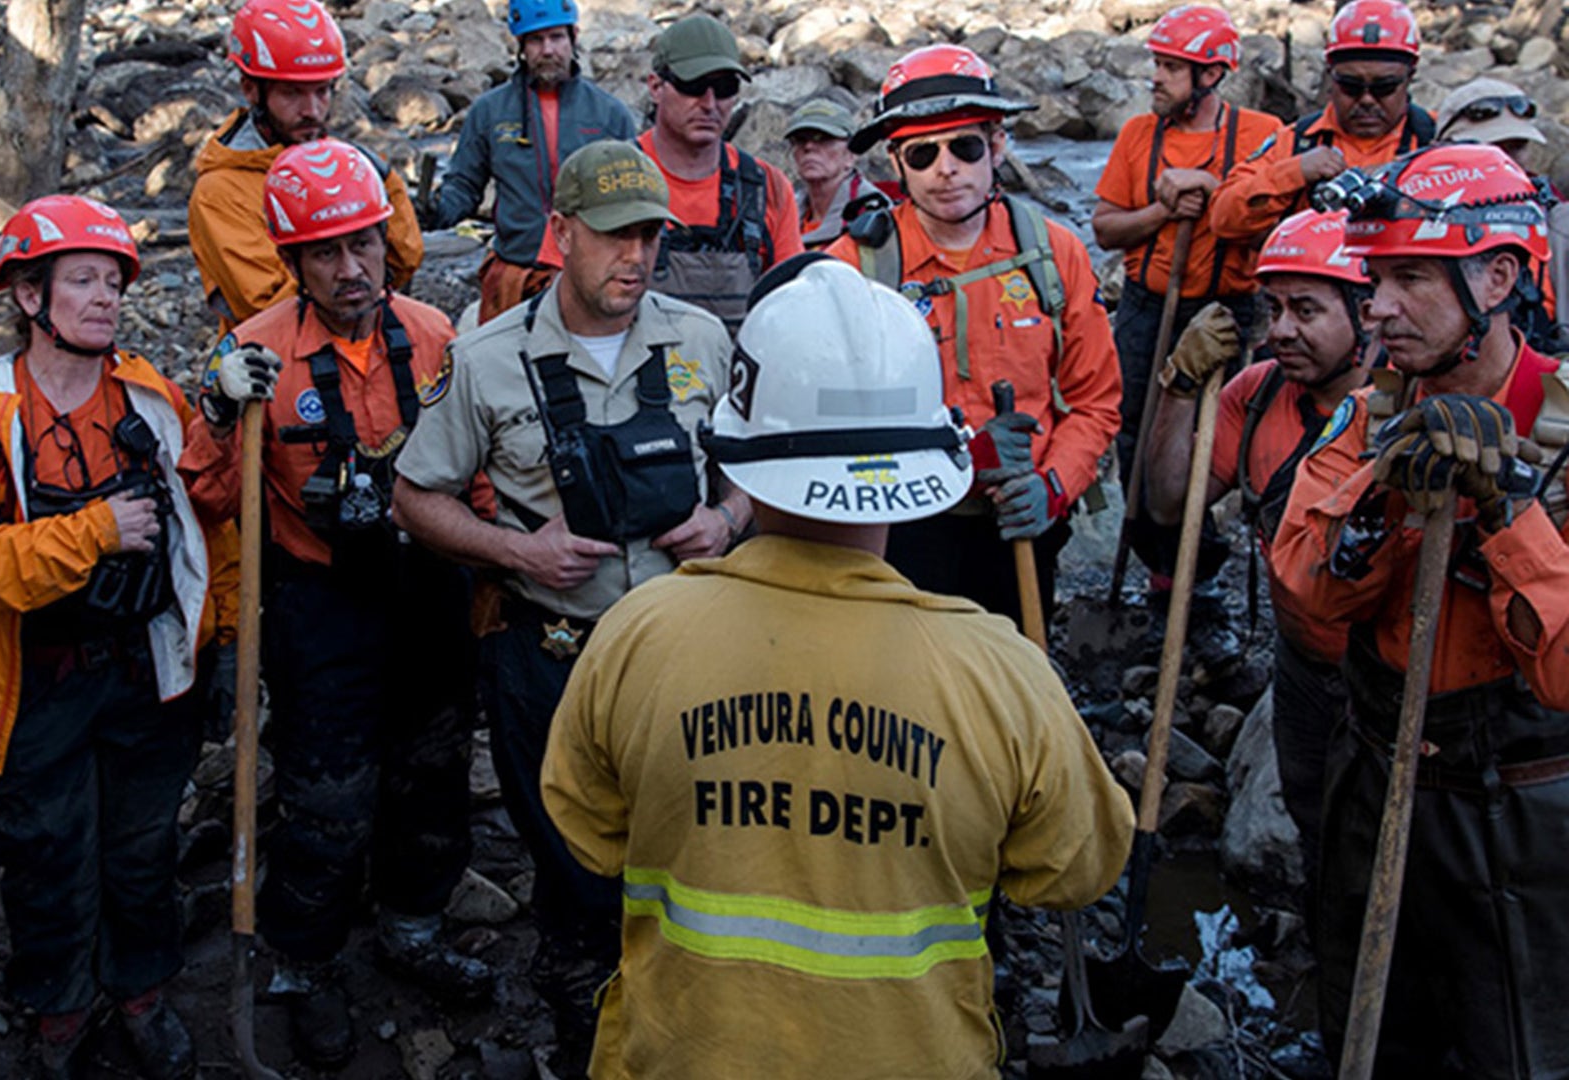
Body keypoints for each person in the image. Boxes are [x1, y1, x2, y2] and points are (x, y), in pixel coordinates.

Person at [540, 256, 1135, 1078]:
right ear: (928, 462)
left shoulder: (638, 634)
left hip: (679, 1056)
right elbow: (1073, 867)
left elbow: (591, 831)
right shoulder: (1002, 673)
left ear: (741, 451)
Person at [392, 140, 743, 1074]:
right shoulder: (483, 361)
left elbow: (748, 475)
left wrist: (726, 519)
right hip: (549, 656)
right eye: (615, 235)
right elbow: (415, 497)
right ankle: (584, 1015)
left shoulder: (702, 342)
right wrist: (517, 549)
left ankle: (685, 1013)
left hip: (686, 658)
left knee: (692, 849)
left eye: (651, 236)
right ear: (561, 233)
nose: (636, 256)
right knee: (573, 864)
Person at [179, 138, 492, 1068]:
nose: (349, 269)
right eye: (325, 253)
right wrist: (213, 410)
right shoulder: (254, 358)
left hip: (429, 585)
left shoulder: (437, 337)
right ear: (293, 261)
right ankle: (302, 961)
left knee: (433, 768)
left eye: (361, 245)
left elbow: (477, 470)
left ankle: (414, 922)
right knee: (325, 793)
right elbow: (206, 492)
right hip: (319, 597)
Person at [1270, 143, 1569, 1076]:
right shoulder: (1367, 416)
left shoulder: (1562, 434)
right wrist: (1381, 499)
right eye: (1375, 280)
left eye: (1408, 279)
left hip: (1523, 809)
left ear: (1499, 276)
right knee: (1372, 1030)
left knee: (1516, 1049)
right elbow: (1306, 589)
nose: (1380, 308)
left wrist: (1504, 507)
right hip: (1378, 769)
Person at [0, 195, 231, 1079]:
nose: (106, 298)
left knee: (142, 846)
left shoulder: (152, 398)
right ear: (28, 295)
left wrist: (224, 635)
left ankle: (140, 992)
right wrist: (95, 532)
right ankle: (56, 1010)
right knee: (45, 854)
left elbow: (209, 522)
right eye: (84, 280)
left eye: (113, 282)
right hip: (35, 683)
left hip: (143, 670)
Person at [827, 45, 1121, 624]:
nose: (946, 168)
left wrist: (1054, 487)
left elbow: (1095, 400)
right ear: (897, 163)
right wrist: (952, 456)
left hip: (1022, 523)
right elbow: (832, 421)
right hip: (901, 530)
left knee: (1010, 680)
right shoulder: (855, 267)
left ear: (997, 145)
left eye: (964, 146)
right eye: (922, 153)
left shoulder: (1053, 256)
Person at [1143, 208, 1372, 869]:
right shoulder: (1257, 393)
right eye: (1273, 309)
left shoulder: (1407, 410)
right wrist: (1182, 386)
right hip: (1300, 663)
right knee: (1313, 813)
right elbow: (1169, 502)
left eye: (1306, 309)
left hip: (1387, 674)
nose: (1280, 331)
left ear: (1367, 314)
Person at [1093, 6, 1280, 672]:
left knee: (1220, 450)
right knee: (1138, 441)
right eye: (1158, 65)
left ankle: (1200, 588)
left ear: (1210, 75)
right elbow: (1107, 229)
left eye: (1171, 68)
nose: (1158, 79)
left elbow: (1277, 211)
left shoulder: (1261, 136)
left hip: (1235, 307)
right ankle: (1165, 574)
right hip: (1151, 307)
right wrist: (1163, 211)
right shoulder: (1140, 137)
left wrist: (1219, 194)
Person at [189, 0, 423, 331]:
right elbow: (267, 305)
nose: (312, 110)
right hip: (278, 367)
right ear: (250, 90)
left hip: (366, 350)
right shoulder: (220, 193)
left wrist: (386, 181)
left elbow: (406, 258)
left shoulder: (344, 163)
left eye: (322, 91)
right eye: (292, 93)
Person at [429, 0, 637, 322]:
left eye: (556, 37)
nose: (548, 49)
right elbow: (465, 185)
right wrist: (435, 209)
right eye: (536, 40)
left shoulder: (609, 115)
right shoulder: (490, 112)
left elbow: (631, 200)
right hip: (515, 278)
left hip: (587, 278)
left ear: (574, 37)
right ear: (521, 46)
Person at [1211, 0, 1434, 242]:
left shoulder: (1436, 139)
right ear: (1331, 78)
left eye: (1384, 87)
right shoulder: (1298, 140)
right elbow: (1223, 218)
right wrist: (1294, 173)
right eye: (1351, 86)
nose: (1367, 99)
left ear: (1409, 78)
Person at [636, 14, 803, 333]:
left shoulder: (767, 187)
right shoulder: (609, 179)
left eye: (725, 87)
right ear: (656, 87)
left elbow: (791, 310)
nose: (709, 103)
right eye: (693, 85)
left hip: (740, 377)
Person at [1435, 77, 1566, 342]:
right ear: (1442, 151)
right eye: (1491, 149)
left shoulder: (1559, 225)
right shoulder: (1409, 224)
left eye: (1516, 147)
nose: (1505, 162)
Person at [785, 96, 893, 250]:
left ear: (851, 154)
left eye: (823, 138)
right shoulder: (783, 214)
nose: (809, 147)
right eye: (800, 139)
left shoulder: (873, 214)